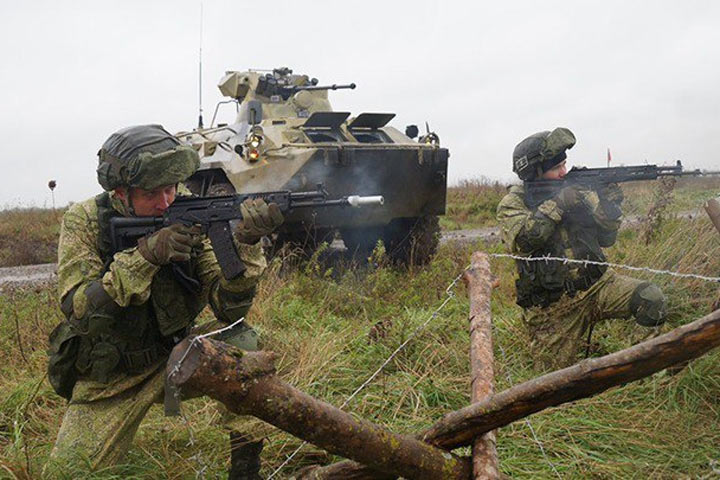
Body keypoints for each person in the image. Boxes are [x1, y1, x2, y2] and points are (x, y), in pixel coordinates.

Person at [45, 124, 283, 478]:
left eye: (171, 188)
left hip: (179, 355)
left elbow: (229, 308)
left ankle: (246, 468)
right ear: (121, 193)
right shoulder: (85, 220)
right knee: (68, 474)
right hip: (113, 376)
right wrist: (147, 256)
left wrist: (246, 243)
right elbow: (79, 311)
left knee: (244, 342)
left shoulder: (187, 209)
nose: (166, 201)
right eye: (152, 193)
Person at [496, 127, 667, 370]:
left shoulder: (574, 192)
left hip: (598, 286)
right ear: (533, 172)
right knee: (551, 385)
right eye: (556, 168)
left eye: (564, 165)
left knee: (650, 298)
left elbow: (606, 239)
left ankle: (640, 371)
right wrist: (560, 203)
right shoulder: (513, 203)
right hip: (553, 308)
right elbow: (524, 241)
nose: (564, 172)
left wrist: (609, 206)